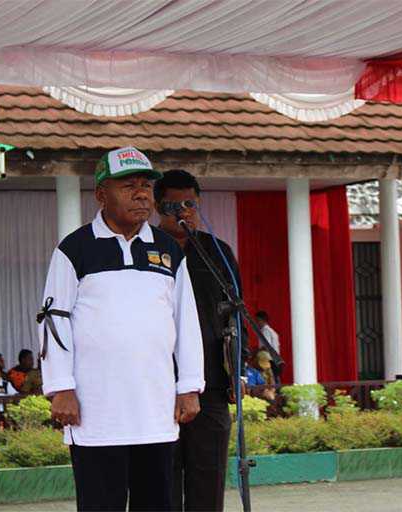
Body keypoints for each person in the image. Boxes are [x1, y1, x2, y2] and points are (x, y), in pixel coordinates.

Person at [40, 147, 204, 511]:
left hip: (155, 409)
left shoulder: (167, 250)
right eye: (129, 185)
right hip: (96, 412)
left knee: (157, 504)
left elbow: (186, 322)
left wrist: (189, 387)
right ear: (101, 194)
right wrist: (60, 388)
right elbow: (54, 322)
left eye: (146, 185)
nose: (142, 194)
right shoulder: (74, 249)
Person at [155, 169, 245, 512]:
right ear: (156, 207)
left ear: (199, 204)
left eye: (189, 204)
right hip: (159, 383)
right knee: (163, 474)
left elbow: (236, 313)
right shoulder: (145, 249)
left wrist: (238, 367)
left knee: (208, 475)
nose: (181, 211)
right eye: (171, 205)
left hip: (212, 384)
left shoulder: (217, 252)